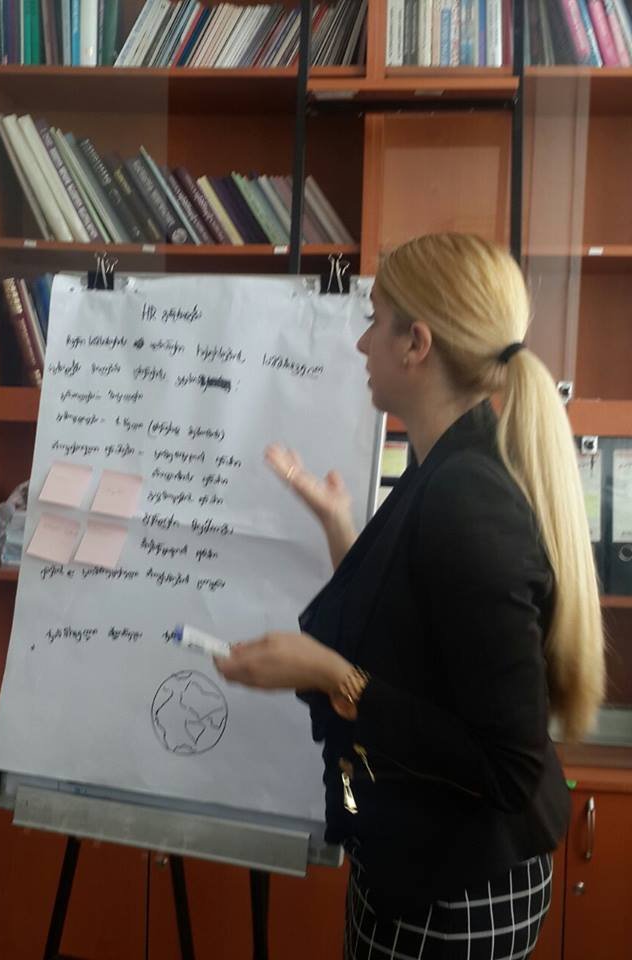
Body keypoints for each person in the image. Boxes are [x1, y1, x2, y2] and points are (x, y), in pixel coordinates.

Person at [215, 233, 605, 959]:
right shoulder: (443, 465)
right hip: (426, 862)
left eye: (376, 321)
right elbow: (407, 629)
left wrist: (329, 674)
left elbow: (508, 767)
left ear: (416, 344)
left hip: (457, 889)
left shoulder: (467, 496)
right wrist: (339, 527)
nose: (363, 343)